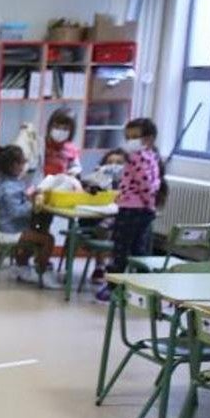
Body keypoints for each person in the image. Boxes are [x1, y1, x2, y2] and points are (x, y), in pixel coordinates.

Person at [97, 118, 164, 302]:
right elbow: (154, 183)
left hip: (132, 209)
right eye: (128, 137)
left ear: (148, 139)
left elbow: (146, 184)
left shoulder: (137, 157)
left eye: (135, 137)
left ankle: (113, 288)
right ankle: (140, 290)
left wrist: (149, 202)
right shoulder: (152, 156)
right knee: (138, 250)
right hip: (142, 208)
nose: (130, 141)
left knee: (120, 250)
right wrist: (150, 204)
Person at [0, 145, 60, 289]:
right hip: (9, 231)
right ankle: (42, 272)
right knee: (47, 239)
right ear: (13, 165)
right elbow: (16, 212)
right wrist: (31, 202)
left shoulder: (9, 183)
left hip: (10, 228)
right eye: (22, 162)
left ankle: (22, 267)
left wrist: (28, 198)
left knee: (38, 232)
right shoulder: (9, 187)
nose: (24, 165)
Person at [80, 149, 129, 283]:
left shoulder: (129, 183)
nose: (114, 165)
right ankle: (100, 266)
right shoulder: (96, 179)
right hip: (96, 218)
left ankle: (115, 267)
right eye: (110, 162)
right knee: (104, 229)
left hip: (120, 220)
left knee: (116, 228)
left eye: (119, 162)